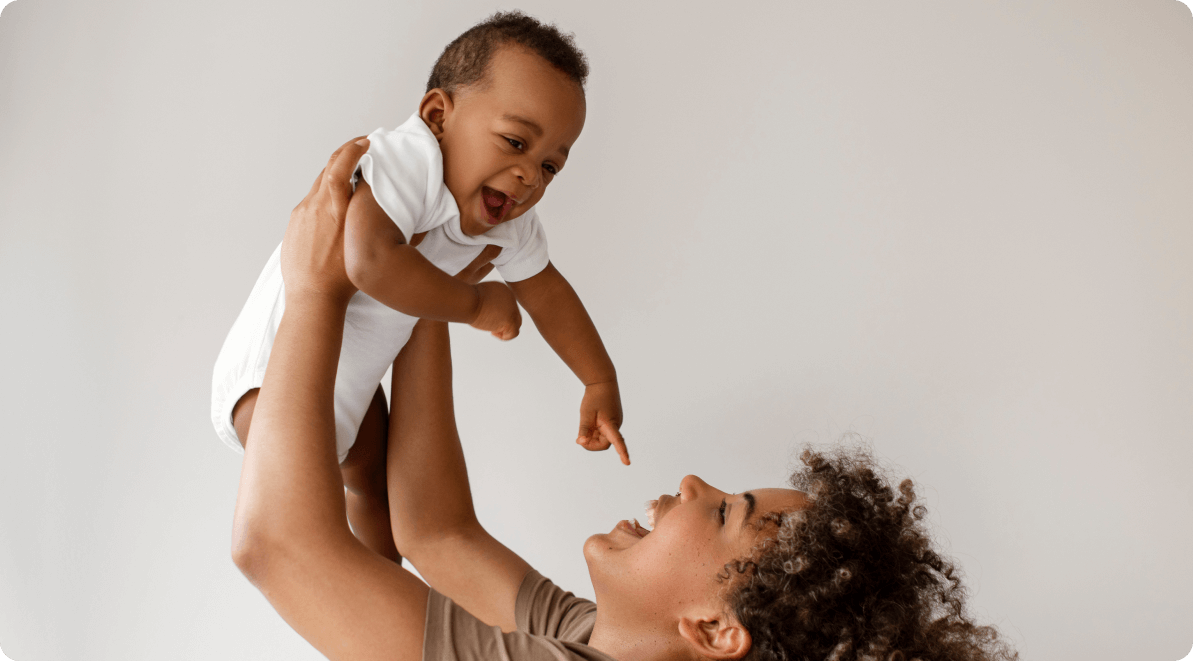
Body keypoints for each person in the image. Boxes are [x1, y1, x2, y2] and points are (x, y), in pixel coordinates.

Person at [231, 138, 1019, 661]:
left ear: (712, 627)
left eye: (721, 511)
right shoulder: (597, 638)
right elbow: (436, 534)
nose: (690, 483)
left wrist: (314, 292)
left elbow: (277, 546)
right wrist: (427, 288)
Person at [213, 11, 626, 562]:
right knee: (306, 529)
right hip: (271, 379)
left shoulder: (509, 223)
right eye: (514, 141)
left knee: (373, 481)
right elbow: (370, 261)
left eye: (551, 166)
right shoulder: (408, 161)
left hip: (351, 390)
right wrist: (476, 305)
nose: (529, 174)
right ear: (437, 117)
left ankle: (384, 580)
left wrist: (598, 378)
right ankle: (351, 585)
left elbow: (547, 291)